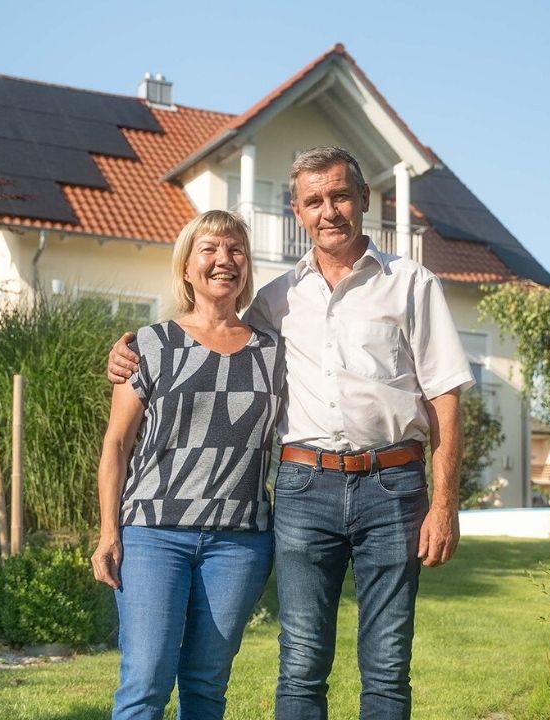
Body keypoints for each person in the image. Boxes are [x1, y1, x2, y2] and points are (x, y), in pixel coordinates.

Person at [106, 146, 473, 720]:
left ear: (364, 200)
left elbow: (446, 400)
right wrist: (129, 352)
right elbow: (205, 336)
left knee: (386, 665)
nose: (329, 211)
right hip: (305, 489)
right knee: (300, 663)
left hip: (395, 487)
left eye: (340, 196)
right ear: (298, 212)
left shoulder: (411, 283)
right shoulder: (277, 300)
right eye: (313, 201)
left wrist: (444, 504)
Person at [93, 209, 283, 720]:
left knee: (206, 686)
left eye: (236, 249)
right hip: (154, 534)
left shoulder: (275, 352)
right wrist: (109, 533)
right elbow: (115, 445)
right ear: (187, 267)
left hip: (239, 541)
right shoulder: (148, 345)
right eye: (210, 249)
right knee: (146, 682)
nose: (224, 260)